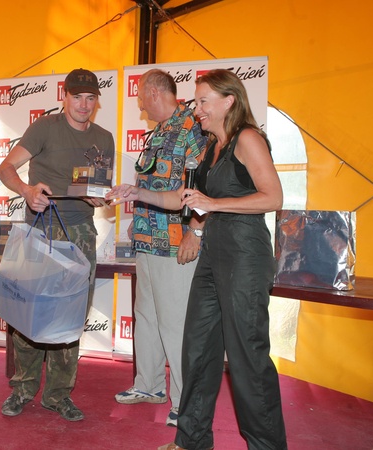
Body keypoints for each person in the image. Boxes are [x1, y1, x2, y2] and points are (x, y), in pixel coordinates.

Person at [107, 69, 287, 450]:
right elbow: (184, 198)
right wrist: (138, 193)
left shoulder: (248, 138)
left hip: (244, 255)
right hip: (212, 256)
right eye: (196, 101)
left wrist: (214, 204)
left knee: (247, 357)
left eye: (204, 101)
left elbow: (273, 197)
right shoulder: (211, 146)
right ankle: (191, 441)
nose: (197, 108)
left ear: (229, 101)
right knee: (197, 349)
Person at [0, 68, 115, 422]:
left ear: (97, 101)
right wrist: (27, 190)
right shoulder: (44, 128)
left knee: (70, 318)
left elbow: (97, 187)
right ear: (65, 97)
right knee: (28, 314)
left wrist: (100, 197)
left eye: (90, 98)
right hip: (40, 232)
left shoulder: (104, 138)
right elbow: (6, 168)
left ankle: (58, 395)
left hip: (80, 233)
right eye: (77, 97)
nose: (84, 105)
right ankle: (23, 388)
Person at [113, 69, 206, 428]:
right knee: (147, 317)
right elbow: (153, 183)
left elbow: (203, 187)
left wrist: (195, 233)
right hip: (147, 240)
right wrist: (134, 206)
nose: (139, 104)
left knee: (176, 324)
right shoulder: (161, 131)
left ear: (153, 92)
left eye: (139, 96)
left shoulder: (192, 127)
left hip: (175, 244)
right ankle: (149, 385)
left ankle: (185, 402)